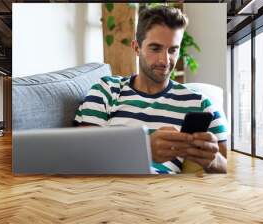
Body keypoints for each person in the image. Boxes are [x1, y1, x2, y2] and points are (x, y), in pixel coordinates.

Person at [74, 6, 228, 174]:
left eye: (173, 50)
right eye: (155, 48)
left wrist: (213, 160)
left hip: (170, 193)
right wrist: (144, 149)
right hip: (111, 189)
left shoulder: (201, 104)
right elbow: (82, 152)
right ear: (136, 48)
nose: (165, 60)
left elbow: (226, 168)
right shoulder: (106, 90)